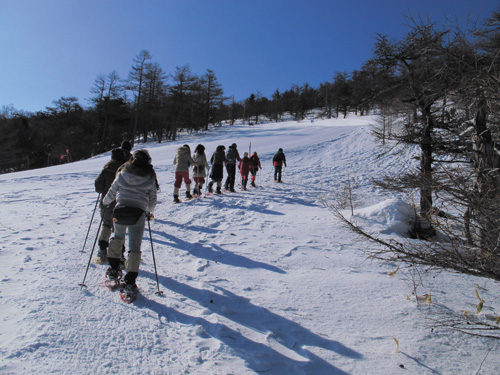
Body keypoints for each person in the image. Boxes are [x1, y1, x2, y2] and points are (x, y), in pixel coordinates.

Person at [102, 149, 157, 296]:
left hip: (120, 210)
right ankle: (130, 281)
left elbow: (112, 192)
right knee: (134, 247)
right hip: (138, 214)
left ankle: (114, 269)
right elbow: (152, 201)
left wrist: (105, 202)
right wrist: (148, 211)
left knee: (117, 238)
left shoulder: (122, 173)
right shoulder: (150, 177)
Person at [94, 148, 126, 263]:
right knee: (120, 229)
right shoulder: (125, 169)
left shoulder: (106, 169)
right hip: (121, 203)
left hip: (106, 203)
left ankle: (102, 250)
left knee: (106, 225)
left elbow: (98, 187)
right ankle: (120, 253)